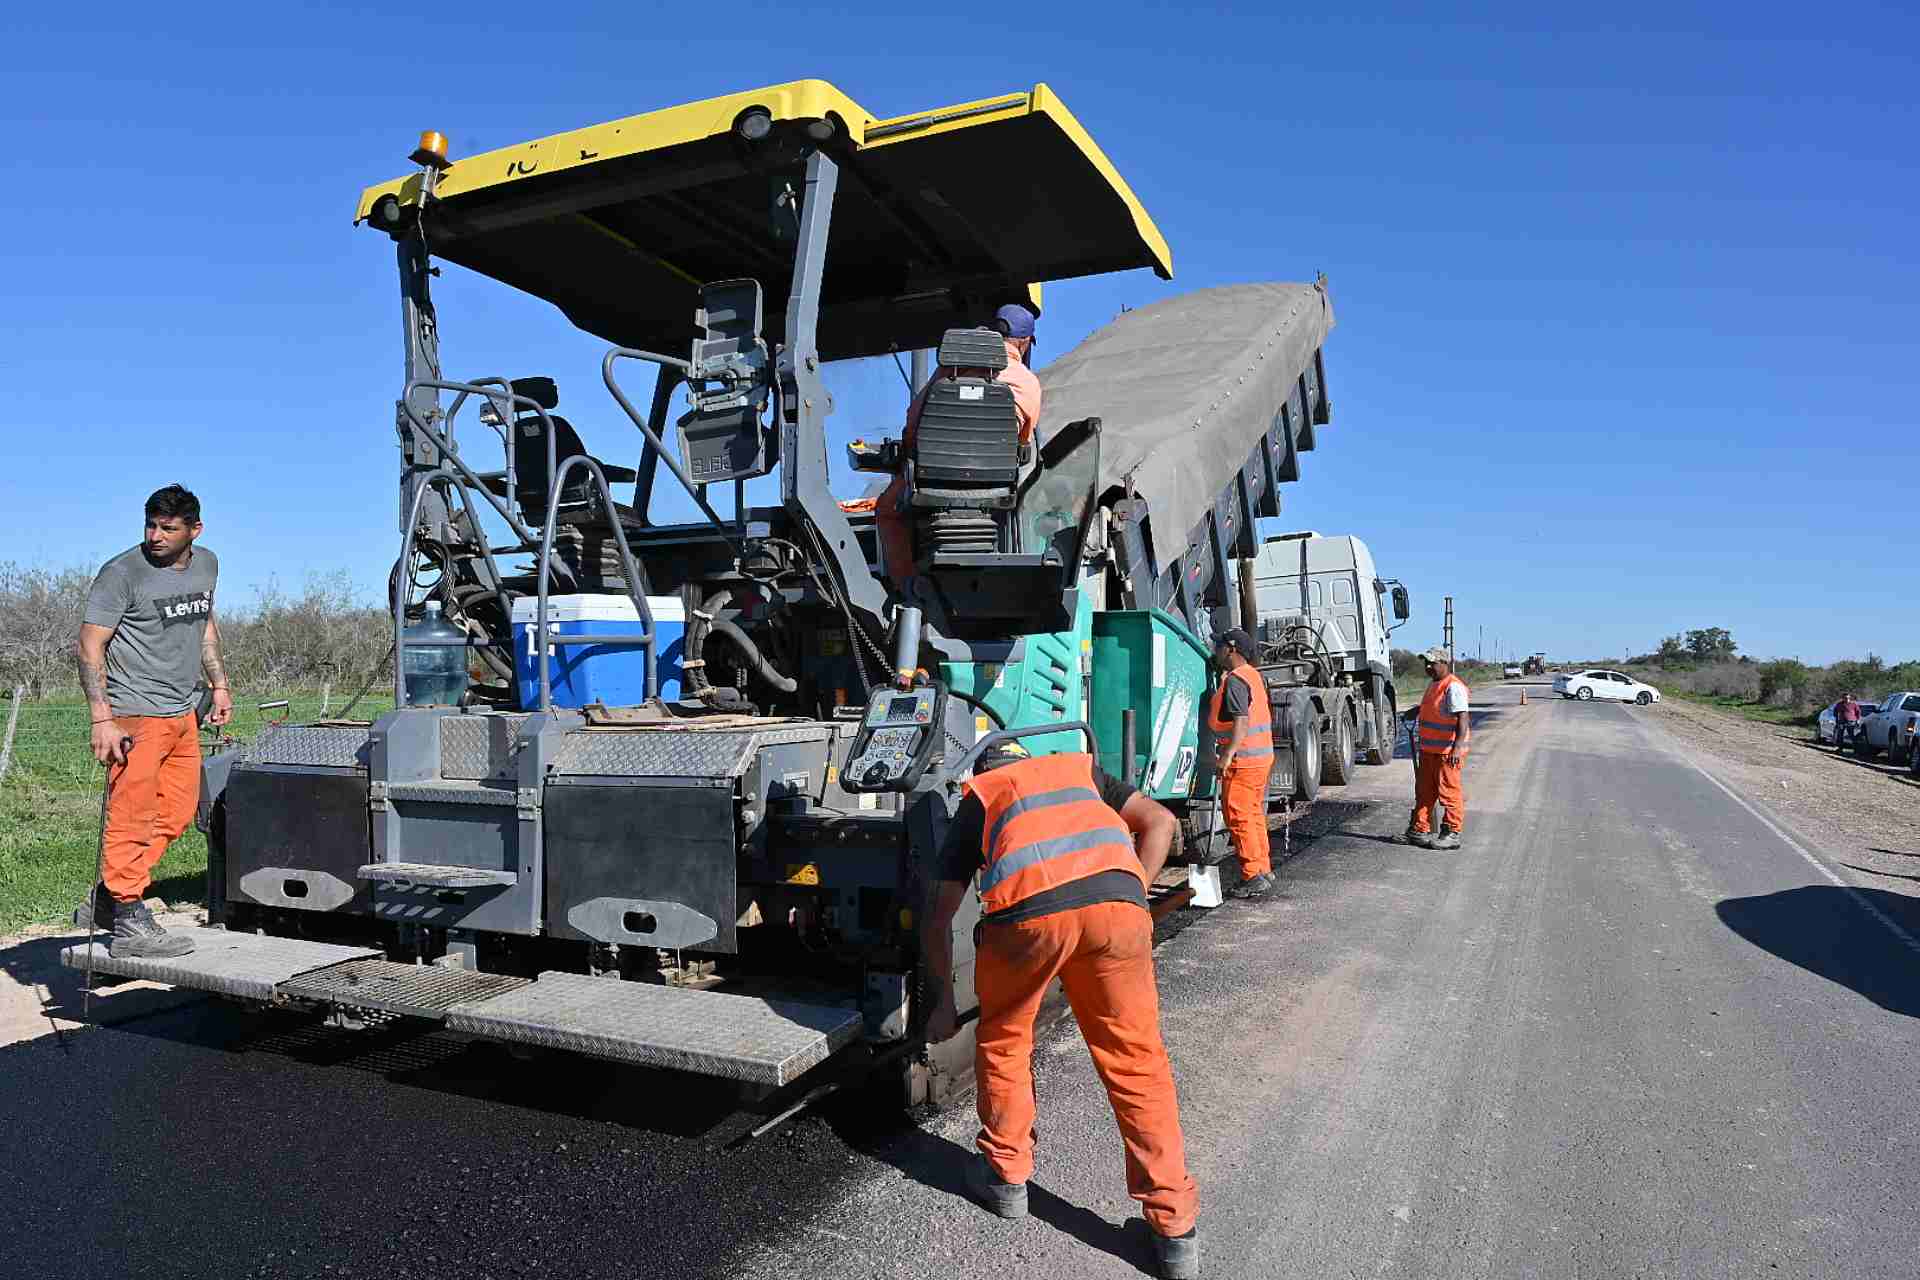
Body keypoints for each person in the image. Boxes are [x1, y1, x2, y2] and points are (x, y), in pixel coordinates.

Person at [921, 742, 1200, 1280]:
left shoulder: (985, 794)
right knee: (1137, 1063)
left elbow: (938, 913)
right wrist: (1128, 895)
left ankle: (1004, 1178)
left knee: (1005, 1040)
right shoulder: (1081, 770)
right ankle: (1175, 1231)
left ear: (986, 769)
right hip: (1118, 907)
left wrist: (942, 1007)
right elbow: (1161, 822)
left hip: (1028, 920)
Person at [75, 485, 232, 958]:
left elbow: (204, 625)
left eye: (168, 528)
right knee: (131, 815)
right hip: (133, 715)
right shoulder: (122, 574)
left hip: (183, 711)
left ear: (194, 530)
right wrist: (102, 719)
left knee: (180, 811)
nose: (155, 535)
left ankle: (109, 895)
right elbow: (88, 646)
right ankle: (127, 918)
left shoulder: (207, 564)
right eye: (151, 525)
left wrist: (219, 684)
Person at [876, 303, 1044, 587]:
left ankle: (909, 588)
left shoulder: (948, 372)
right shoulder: (1029, 384)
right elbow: (1023, 443)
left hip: (931, 482)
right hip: (994, 489)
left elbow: (914, 420)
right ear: (1025, 342)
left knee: (888, 511)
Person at [1207, 627, 1276, 898]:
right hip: (1260, 758)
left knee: (1239, 816)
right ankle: (1263, 868)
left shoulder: (1236, 680)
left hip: (1243, 760)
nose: (1216, 650)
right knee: (1254, 815)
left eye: (1219, 646)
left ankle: (1252, 876)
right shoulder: (1253, 676)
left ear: (1231, 649)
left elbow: (1241, 720)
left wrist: (1226, 755)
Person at [1404, 646, 1470, 849]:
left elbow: (1462, 718)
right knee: (1424, 792)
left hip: (1447, 752)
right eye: (1426, 663)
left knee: (1448, 793)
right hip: (1429, 751)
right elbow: (1436, 708)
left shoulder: (1453, 686)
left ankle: (1451, 832)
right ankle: (1419, 830)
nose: (1428, 666)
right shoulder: (1435, 685)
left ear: (1444, 663)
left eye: (1432, 663)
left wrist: (1457, 749)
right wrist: (1416, 710)